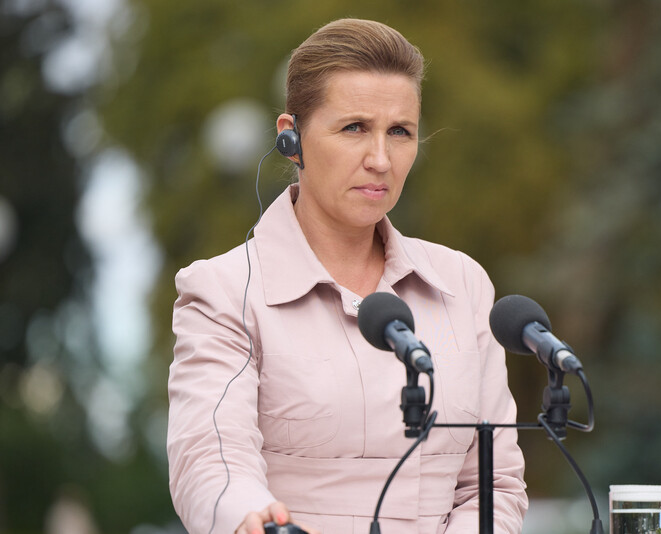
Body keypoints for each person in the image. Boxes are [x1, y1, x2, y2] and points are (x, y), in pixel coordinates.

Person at [167, 18, 528, 534]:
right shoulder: (224, 291)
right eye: (354, 128)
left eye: (400, 132)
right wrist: (252, 518)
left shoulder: (463, 284)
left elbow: (493, 486)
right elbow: (210, 459)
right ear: (291, 139)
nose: (380, 160)